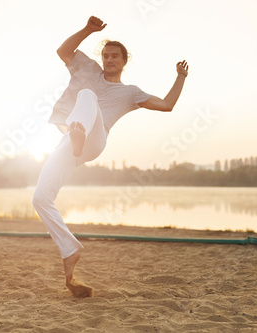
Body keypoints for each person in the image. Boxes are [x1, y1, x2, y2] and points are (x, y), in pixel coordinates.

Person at [32, 15, 188, 297]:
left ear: (124, 61)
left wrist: (181, 77)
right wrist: (88, 30)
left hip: (94, 139)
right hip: (70, 143)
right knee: (40, 198)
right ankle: (69, 251)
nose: (109, 60)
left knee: (88, 96)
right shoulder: (87, 70)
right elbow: (63, 52)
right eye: (105, 56)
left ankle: (78, 129)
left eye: (115, 56)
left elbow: (166, 105)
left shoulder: (129, 92)